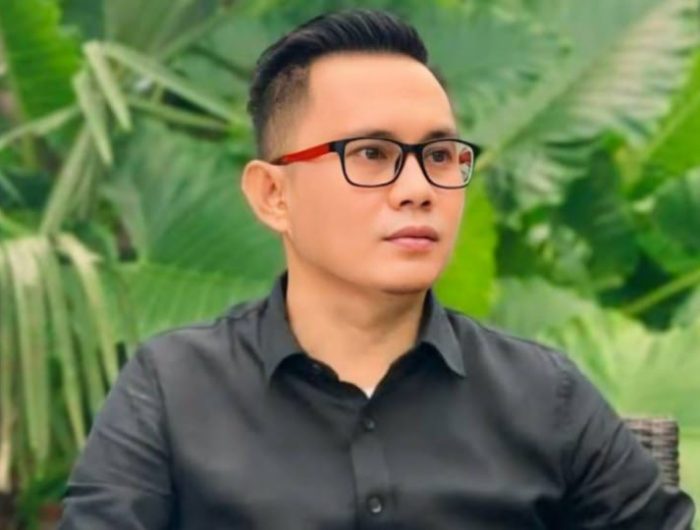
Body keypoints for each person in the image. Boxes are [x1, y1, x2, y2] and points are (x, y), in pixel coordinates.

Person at [57, 8, 696, 529]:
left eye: (440, 156)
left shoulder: (543, 396)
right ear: (273, 195)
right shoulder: (172, 391)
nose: (418, 189)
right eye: (370, 153)